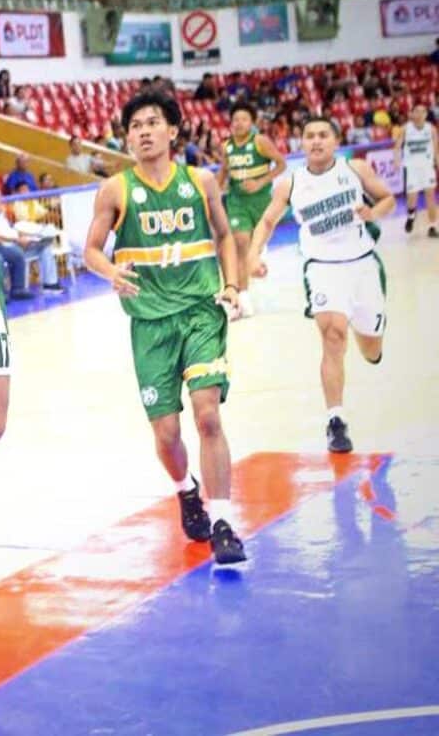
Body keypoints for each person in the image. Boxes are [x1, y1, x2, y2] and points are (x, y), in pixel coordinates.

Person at [83, 89, 246, 569]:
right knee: (167, 433)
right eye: (135, 126)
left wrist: (233, 284)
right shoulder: (115, 190)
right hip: (149, 324)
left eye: (153, 123)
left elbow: (223, 235)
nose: (144, 132)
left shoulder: (200, 182)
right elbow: (90, 250)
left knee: (207, 415)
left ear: (173, 131)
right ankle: (185, 489)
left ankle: (223, 522)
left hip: (200, 311)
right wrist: (109, 271)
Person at [247, 117, 395, 453]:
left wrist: (375, 213)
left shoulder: (355, 169)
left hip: (363, 265)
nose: (316, 141)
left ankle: (367, 333)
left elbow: (386, 199)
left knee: (371, 350)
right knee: (333, 336)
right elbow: (268, 220)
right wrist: (253, 256)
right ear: (301, 143)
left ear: (335, 140)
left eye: (323, 135)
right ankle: (336, 420)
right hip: (322, 268)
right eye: (309, 136)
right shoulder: (291, 183)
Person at [216, 102, 287, 318]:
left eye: (244, 119)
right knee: (239, 246)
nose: (239, 123)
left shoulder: (260, 142)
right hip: (237, 201)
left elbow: (281, 164)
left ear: (252, 122)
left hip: (261, 201)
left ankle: (256, 256)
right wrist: (216, 191)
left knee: (253, 248)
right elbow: (225, 170)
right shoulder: (226, 145)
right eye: (235, 119)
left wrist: (260, 182)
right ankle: (241, 298)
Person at [0, 188, 61, 299]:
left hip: (19, 243)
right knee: (16, 253)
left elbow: (13, 229)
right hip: (6, 247)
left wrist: (28, 236)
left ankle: (50, 284)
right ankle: (17, 289)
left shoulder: (2, 216)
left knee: (45, 247)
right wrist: (17, 241)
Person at [393, 103, 438, 237]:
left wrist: (437, 161)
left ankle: (432, 227)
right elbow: (397, 147)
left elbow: (436, 148)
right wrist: (396, 160)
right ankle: (411, 215)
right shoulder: (405, 129)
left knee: (431, 196)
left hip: (427, 167)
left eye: (423, 112)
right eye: (417, 111)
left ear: (426, 114)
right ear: (412, 114)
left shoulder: (431, 129)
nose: (420, 114)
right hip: (411, 168)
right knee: (412, 199)